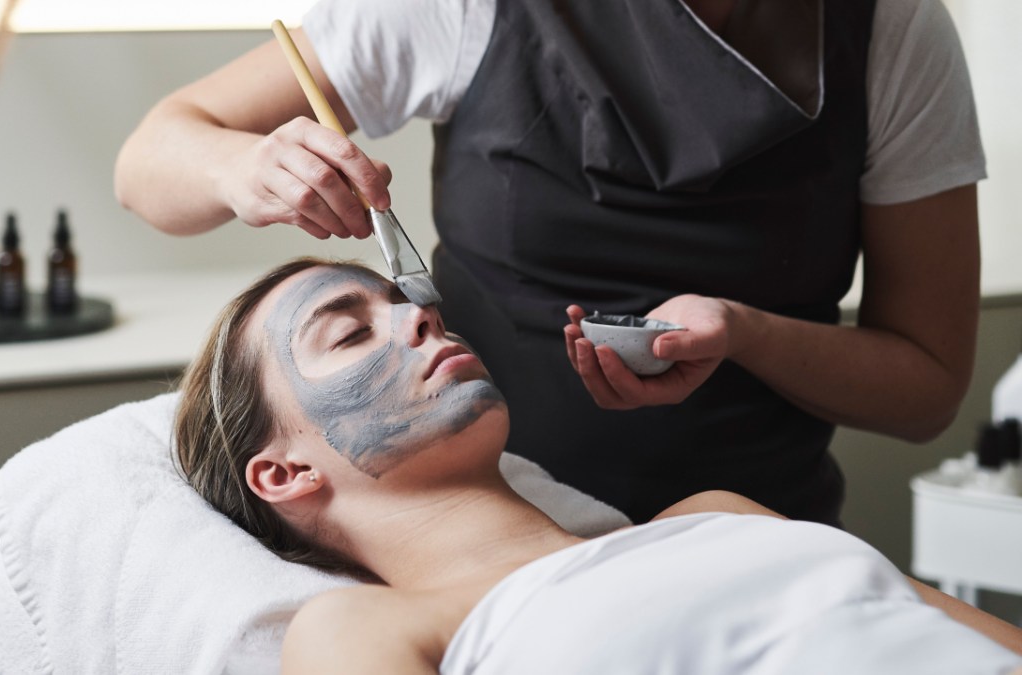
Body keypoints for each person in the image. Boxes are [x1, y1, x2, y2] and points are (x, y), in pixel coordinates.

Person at [119, 0, 986, 525]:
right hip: (488, 528)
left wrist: (750, 335)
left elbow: (927, 388)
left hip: (757, 529)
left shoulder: (892, 34)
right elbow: (148, 164)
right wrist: (242, 167)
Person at [173, 258, 1020, 674]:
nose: (419, 321)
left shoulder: (716, 514)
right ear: (283, 473)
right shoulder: (365, 631)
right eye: (352, 332)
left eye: (405, 304)